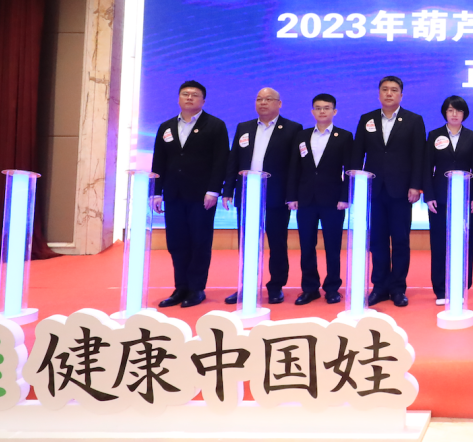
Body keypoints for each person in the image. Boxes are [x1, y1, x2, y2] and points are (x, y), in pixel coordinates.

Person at [150, 80, 229, 308]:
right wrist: (156, 192)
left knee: (199, 242)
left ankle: (196, 289)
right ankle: (180, 287)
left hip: (202, 195)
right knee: (176, 242)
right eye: (185, 94)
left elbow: (221, 160)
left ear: (203, 100)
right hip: (173, 194)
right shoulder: (166, 127)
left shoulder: (215, 125)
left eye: (195, 95)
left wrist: (214, 190)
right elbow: (159, 160)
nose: (189, 97)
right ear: (178, 98)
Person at [221, 87, 303, 306]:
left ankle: (276, 286)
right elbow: (233, 160)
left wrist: (292, 195)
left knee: (277, 242)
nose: (263, 103)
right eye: (259, 99)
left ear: (279, 103)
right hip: (247, 193)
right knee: (247, 243)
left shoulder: (293, 128)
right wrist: (228, 190)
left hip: (277, 195)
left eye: (268, 99)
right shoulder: (244, 127)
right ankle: (246, 286)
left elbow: (295, 165)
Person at [350, 76, 427, 307]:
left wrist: (416, 185)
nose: (389, 93)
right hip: (374, 190)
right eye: (385, 89)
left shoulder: (413, 120)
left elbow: (419, 156)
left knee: (400, 240)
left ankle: (398, 288)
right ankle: (379, 287)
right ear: (379, 94)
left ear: (401, 95)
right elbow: (357, 154)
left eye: (394, 90)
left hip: (402, 190)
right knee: (377, 241)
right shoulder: (367, 119)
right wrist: (356, 186)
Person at [286, 93, 354, 305]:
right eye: (318, 108)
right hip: (305, 199)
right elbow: (293, 167)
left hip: (333, 201)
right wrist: (291, 196)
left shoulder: (344, 136)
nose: (322, 111)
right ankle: (310, 288)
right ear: (312, 111)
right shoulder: (301, 136)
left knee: (333, 246)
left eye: (326, 108)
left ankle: (332, 288)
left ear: (334, 111)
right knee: (307, 245)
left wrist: (345, 197)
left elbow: (349, 170)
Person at [424, 96, 473, 306]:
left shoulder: (472, 136)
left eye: (458, 110)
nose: (454, 114)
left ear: (464, 113)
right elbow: (426, 167)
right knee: (439, 243)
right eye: (450, 110)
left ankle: (461, 286)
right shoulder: (434, 135)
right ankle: (441, 289)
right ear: (445, 113)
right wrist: (428, 196)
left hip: (464, 198)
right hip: (439, 198)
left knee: (464, 242)